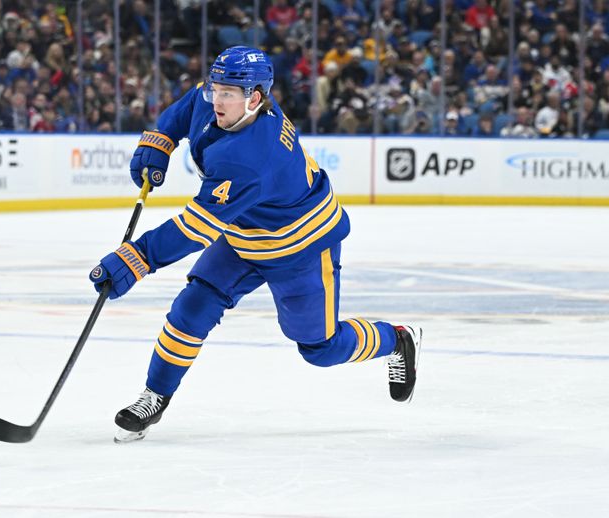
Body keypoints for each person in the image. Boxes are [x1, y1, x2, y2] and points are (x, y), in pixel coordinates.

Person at [89, 46, 423, 443]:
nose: (217, 99)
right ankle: (155, 395)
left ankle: (397, 338)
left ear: (256, 98)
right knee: (193, 306)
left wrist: (136, 258)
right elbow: (185, 108)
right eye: (216, 88)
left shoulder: (250, 156)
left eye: (228, 93)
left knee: (320, 348)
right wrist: (158, 141)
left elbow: (197, 227)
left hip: (300, 246)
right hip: (244, 233)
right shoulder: (223, 100)